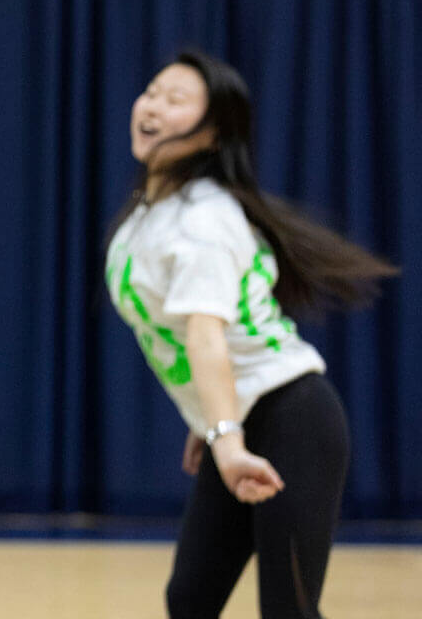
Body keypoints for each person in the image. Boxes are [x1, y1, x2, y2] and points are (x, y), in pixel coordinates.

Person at [105, 50, 397, 618]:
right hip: (240, 419)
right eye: (153, 90)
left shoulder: (204, 222)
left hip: (294, 419)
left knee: (288, 609)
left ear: (213, 133)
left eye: (176, 99)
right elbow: (196, 340)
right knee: (189, 599)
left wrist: (226, 433)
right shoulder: (151, 210)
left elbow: (206, 338)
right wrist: (213, 416)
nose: (153, 105)